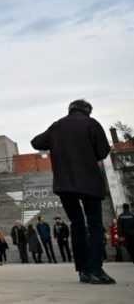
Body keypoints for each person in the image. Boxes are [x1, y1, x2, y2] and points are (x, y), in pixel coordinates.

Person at [31, 99, 114, 284]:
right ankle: (96, 269)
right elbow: (102, 152)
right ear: (87, 111)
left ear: (70, 110)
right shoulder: (91, 124)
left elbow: (36, 142)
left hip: (65, 185)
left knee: (77, 224)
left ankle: (83, 270)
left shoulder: (57, 126)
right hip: (89, 184)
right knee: (94, 225)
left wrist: (56, 144)